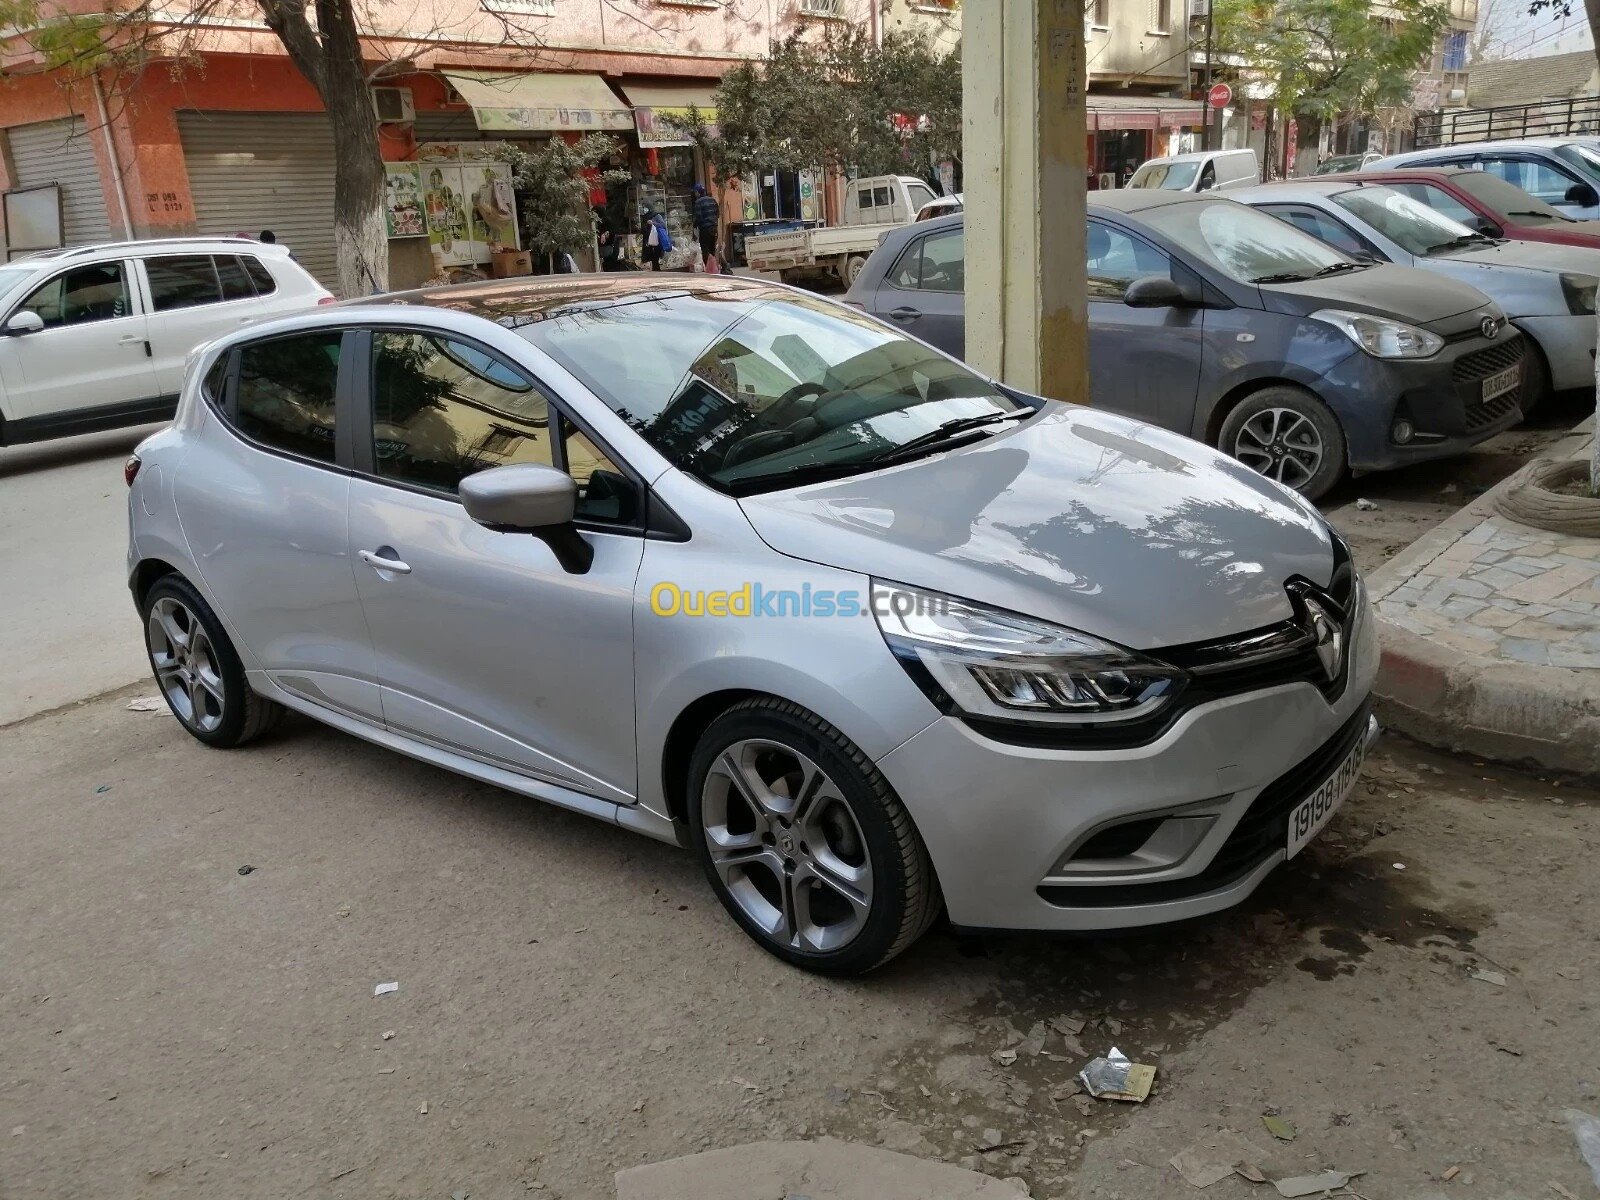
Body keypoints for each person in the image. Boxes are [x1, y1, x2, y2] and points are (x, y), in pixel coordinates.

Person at [691, 182, 720, 267]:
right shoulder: (712, 200)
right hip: (714, 228)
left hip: (705, 229)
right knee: (712, 250)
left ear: (697, 192)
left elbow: (699, 217)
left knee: (705, 249)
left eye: (695, 192)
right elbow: (717, 214)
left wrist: (694, 226)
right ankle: (714, 267)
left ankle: (709, 268)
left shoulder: (698, 202)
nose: (695, 194)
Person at [639, 204, 670, 272]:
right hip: (648, 241)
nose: (644, 209)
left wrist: (653, 223)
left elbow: (662, 225)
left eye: (645, 208)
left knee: (656, 256)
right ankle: (653, 269)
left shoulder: (657, 216)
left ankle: (657, 269)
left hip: (656, 240)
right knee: (650, 257)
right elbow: (644, 229)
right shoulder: (644, 217)